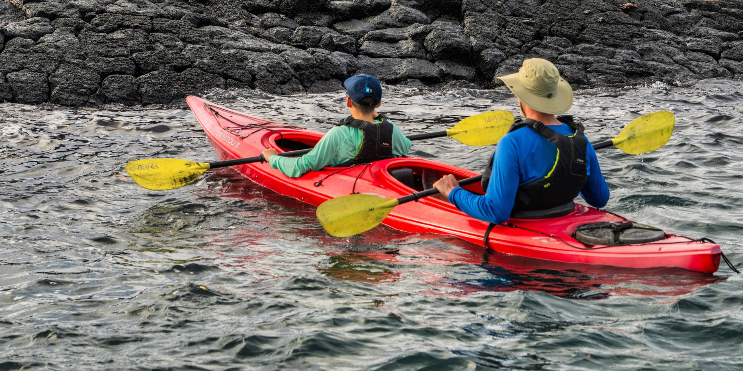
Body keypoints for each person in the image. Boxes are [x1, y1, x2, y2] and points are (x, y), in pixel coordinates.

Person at [433, 58, 609, 223]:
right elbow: (599, 199)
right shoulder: (579, 139)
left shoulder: (512, 142)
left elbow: (496, 212)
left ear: (522, 97)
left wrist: (452, 192)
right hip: (565, 217)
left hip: (527, 228)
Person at [261, 74, 412, 177]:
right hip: (374, 179)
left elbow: (300, 166)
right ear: (378, 103)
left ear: (348, 101)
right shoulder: (389, 127)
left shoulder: (340, 133)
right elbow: (405, 147)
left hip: (348, 183)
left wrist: (273, 158)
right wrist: (379, 117)